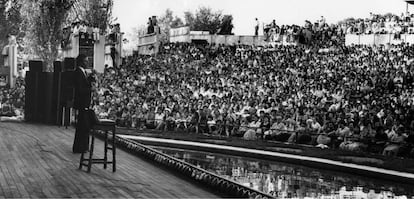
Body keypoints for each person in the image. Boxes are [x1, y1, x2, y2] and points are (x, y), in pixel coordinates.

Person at [72, 54, 94, 153]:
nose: (87, 63)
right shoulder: (78, 72)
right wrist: (90, 89)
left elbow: (84, 84)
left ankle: (82, 146)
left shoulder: (82, 72)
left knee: (83, 125)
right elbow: (80, 89)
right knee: (82, 126)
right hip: (82, 103)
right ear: (81, 62)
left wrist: (90, 79)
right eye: (85, 61)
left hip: (84, 103)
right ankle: (80, 147)